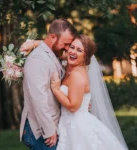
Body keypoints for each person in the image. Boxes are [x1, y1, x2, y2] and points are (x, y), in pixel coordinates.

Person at [50, 34, 129, 150]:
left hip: (78, 129)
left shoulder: (77, 74)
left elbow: (73, 106)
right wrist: (34, 43)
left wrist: (56, 89)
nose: (73, 52)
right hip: (69, 124)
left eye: (79, 50)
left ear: (85, 56)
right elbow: (52, 46)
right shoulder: (72, 66)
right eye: (72, 47)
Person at [20, 18, 77, 150]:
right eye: (66, 44)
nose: (68, 49)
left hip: (53, 124)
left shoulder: (52, 53)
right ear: (53, 37)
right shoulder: (37, 59)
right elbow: (38, 98)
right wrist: (49, 130)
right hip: (41, 130)